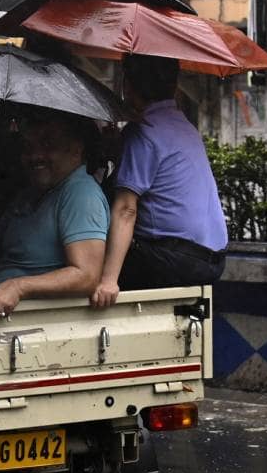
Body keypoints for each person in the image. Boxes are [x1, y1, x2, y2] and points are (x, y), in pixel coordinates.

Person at [92, 55, 228, 309]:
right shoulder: (184, 125)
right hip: (213, 260)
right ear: (174, 85)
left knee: (87, 256)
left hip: (177, 259)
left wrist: (108, 281)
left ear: (127, 86)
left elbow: (126, 209)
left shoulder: (143, 131)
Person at [0, 113, 110, 319]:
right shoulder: (28, 194)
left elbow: (86, 276)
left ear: (77, 149)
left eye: (48, 144)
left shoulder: (81, 194)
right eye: (28, 148)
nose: (35, 156)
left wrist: (18, 287)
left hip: (37, 325)